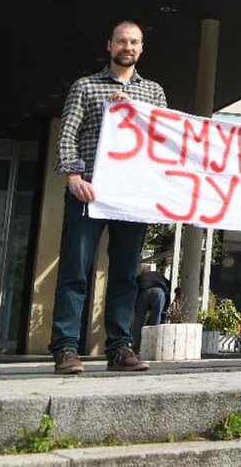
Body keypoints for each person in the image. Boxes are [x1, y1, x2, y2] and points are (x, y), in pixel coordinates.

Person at [50, 21, 168, 374]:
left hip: (129, 197)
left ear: (142, 48)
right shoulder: (86, 87)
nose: (127, 46)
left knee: (125, 274)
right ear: (109, 45)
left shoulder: (153, 93)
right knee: (75, 270)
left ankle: (119, 348)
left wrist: (135, 112)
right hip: (89, 190)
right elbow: (68, 133)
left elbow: (162, 139)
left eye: (134, 42)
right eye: (121, 41)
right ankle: (66, 348)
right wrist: (72, 175)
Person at [132, 267, 170, 353]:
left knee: (138, 319)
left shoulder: (140, 277)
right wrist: (164, 308)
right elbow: (168, 289)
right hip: (159, 292)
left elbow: (134, 290)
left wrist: (135, 306)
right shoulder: (159, 276)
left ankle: (136, 346)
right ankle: (152, 347)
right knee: (156, 319)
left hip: (144, 291)